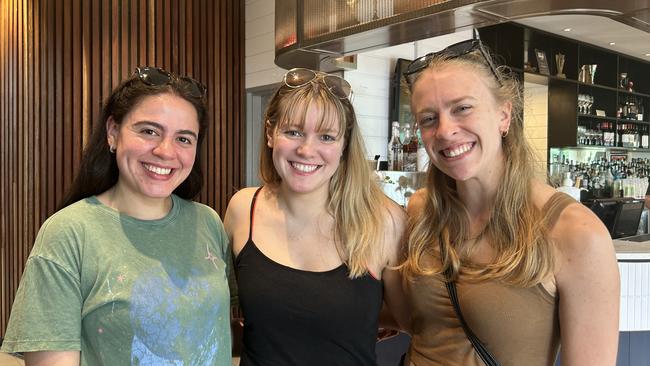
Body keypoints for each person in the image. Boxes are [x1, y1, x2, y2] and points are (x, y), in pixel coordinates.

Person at [400, 39, 620, 365]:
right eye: (429, 119)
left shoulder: (576, 233)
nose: (445, 131)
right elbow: (421, 323)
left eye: (462, 108)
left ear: (504, 115)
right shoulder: (421, 210)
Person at [1, 67, 234, 365]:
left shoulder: (208, 222)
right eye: (149, 131)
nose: (165, 151)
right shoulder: (69, 233)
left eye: (184, 139)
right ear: (113, 132)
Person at [223, 68, 408, 366]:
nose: (307, 150)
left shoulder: (384, 221)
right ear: (270, 133)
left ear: (344, 145)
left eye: (326, 136)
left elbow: (408, 319)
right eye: (293, 131)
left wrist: (349, 317)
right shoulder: (243, 209)